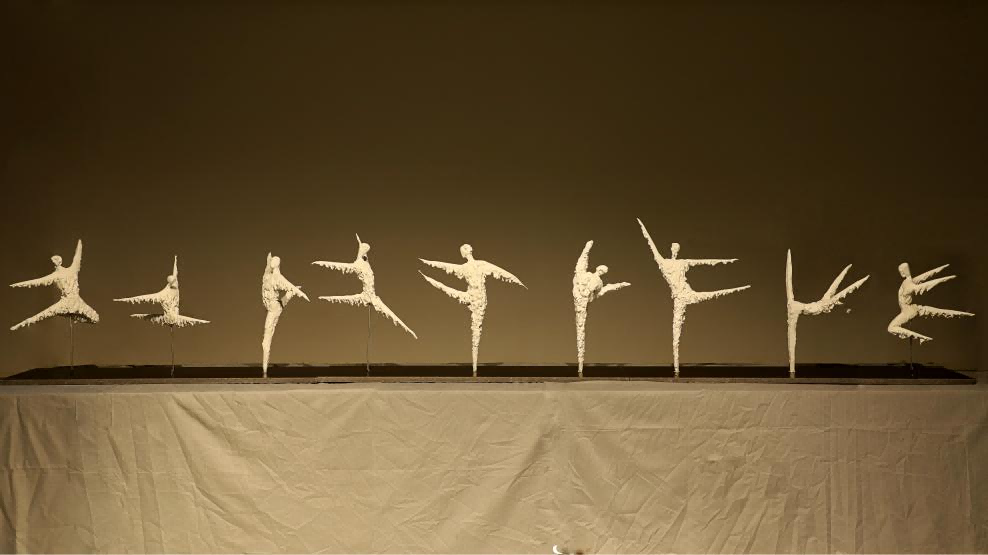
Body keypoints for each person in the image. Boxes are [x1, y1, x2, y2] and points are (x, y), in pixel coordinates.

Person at [637, 218, 749, 376]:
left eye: (677, 248)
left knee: (712, 295)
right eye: (674, 248)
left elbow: (702, 262)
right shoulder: (664, 263)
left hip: (686, 293)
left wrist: (725, 261)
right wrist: (644, 229)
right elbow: (652, 247)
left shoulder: (682, 262)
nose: (675, 250)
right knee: (677, 330)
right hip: (680, 297)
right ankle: (676, 367)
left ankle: (737, 288)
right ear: (671, 249)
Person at [419, 243, 525, 376]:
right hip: (475, 297)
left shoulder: (479, 265)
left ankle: (475, 367)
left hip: (478, 300)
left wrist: (516, 280)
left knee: (447, 291)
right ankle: (474, 367)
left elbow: (501, 272)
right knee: (447, 290)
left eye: (461, 251)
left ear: (465, 252)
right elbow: (447, 266)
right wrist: (429, 263)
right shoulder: (478, 265)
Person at [572, 240, 630, 376]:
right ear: (598, 269)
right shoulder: (587, 275)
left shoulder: (599, 282)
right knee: (580, 327)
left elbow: (602, 291)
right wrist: (586, 250)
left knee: (581, 328)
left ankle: (580, 365)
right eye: (601, 269)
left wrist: (619, 285)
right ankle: (580, 365)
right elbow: (579, 269)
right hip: (579, 300)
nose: (601, 271)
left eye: (603, 271)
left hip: (584, 303)